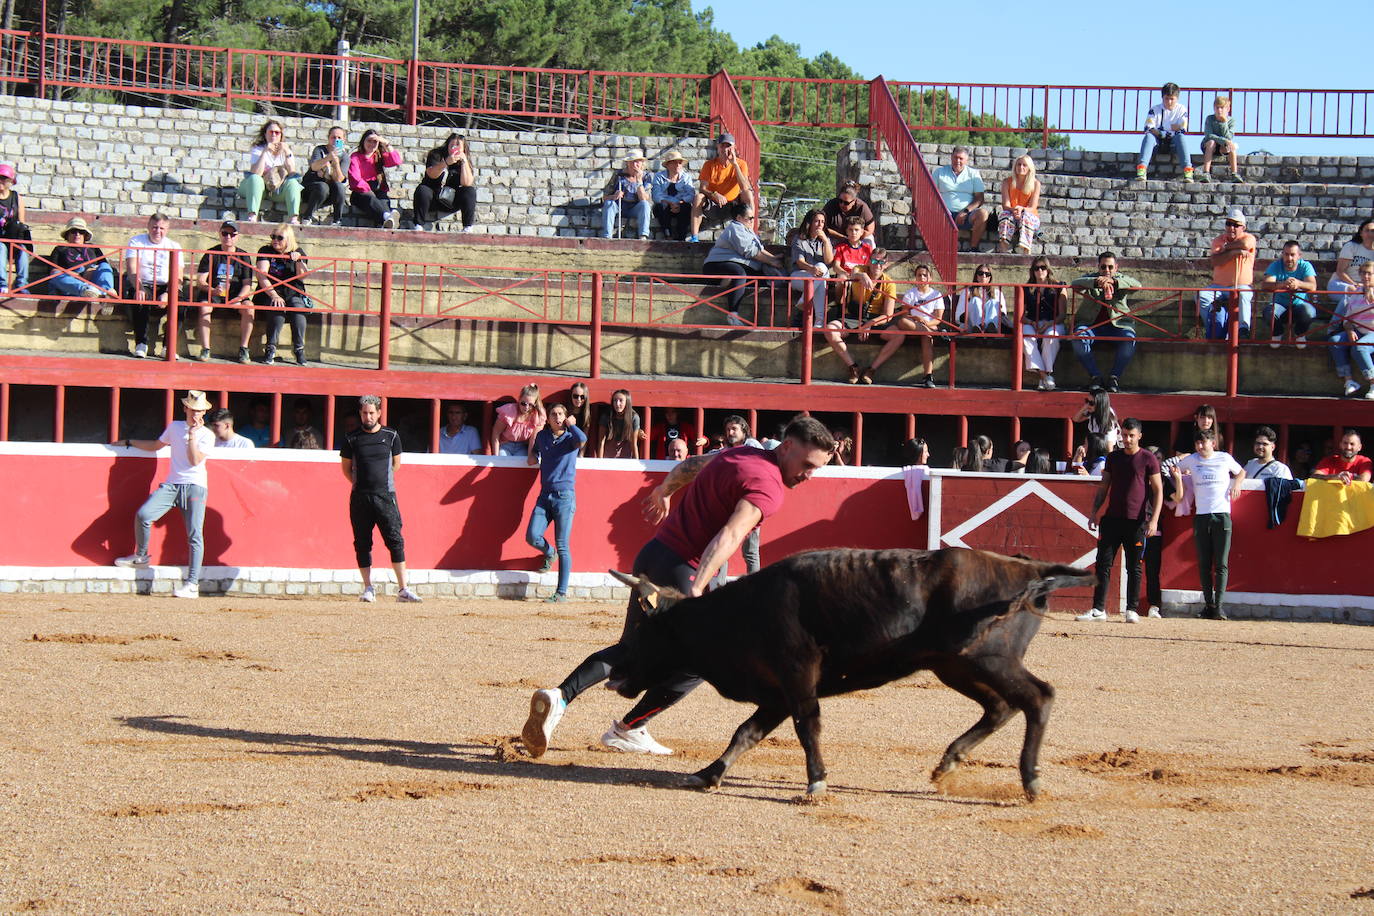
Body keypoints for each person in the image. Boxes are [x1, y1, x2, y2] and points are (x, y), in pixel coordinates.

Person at [520, 415, 836, 759]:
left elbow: (691, 465)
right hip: (684, 571)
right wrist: (698, 588)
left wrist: (663, 490)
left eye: (816, 469)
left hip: (653, 555)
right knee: (702, 663)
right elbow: (729, 535)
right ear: (787, 446)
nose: (808, 475)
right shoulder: (770, 488)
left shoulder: (739, 454)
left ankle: (559, 697)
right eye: (807, 464)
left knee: (629, 649)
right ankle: (629, 727)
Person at [113, 390, 216, 599]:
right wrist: (129, 442)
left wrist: (192, 435)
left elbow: (194, 460)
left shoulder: (207, 435)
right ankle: (141, 556)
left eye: (199, 410)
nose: (196, 414)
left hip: (195, 486)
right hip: (172, 485)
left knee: (195, 534)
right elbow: (155, 446)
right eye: (193, 409)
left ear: (204, 411)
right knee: (144, 515)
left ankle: (192, 584)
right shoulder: (175, 427)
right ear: (186, 408)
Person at [1076, 417, 1163, 623]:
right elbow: (1104, 487)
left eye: (1131, 436)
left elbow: (1158, 491)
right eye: (1124, 435)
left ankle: (1131, 609)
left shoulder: (1148, 458)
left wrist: (1154, 520)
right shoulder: (1113, 458)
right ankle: (1098, 609)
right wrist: (1094, 511)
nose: (1127, 439)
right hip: (1112, 519)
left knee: (1134, 567)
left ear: (1139, 436)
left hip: (1136, 521)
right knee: (1103, 564)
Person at [340, 395, 421, 603]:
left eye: (371, 413)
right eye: (364, 413)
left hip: (385, 496)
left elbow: (396, 466)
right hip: (360, 497)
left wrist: (380, 486)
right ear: (360, 414)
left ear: (379, 413)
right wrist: (362, 486)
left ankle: (403, 589)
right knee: (362, 542)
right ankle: (368, 588)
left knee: (395, 540)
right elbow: (346, 470)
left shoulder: (391, 435)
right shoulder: (352, 438)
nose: (368, 416)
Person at [1173, 428, 1245, 620]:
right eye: (1197, 443)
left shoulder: (1224, 458)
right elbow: (1173, 469)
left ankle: (1219, 606)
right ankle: (1209, 604)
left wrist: (1236, 484)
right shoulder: (1192, 460)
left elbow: (1241, 472)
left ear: (1212, 443)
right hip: (1202, 515)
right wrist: (1179, 480)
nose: (1200, 446)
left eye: (1203, 442)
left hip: (1222, 514)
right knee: (1204, 563)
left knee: (1221, 563)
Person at [526, 402, 588, 602]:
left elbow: (583, 439)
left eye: (561, 414)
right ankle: (548, 552)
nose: (557, 417)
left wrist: (572, 425)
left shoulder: (571, 437)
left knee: (563, 545)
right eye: (554, 414)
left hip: (564, 497)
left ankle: (561, 593)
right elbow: (534, 454)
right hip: (545, 495)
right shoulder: (543, 436)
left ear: (566, 416)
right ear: (548, 418)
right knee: (532, 536)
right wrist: (532, 453)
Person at [701, 197, 785, 327]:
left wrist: (773, 259)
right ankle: (733, 314)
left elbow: (760, 250)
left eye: (753, 218)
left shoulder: (748, 232)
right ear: (739, 218)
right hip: (716, 265)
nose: (752, 221)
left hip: (735, 264)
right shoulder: (735, 228)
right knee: (739, 273)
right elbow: (750, 251)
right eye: (749, 218)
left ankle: (765, 319)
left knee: (761, 279)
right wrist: (772, 261)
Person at [1070, 251, 1142, 392]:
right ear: (1098, 267)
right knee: (1078, 338)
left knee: (1130, 340)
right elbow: (1075, 283)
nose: (1106, 271)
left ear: (1116, 267)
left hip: (1118, 326)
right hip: (1092, 325)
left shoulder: (1120, 278)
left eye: (1110, 267)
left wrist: (1114, 282)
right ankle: (1095, 377)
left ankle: (1114, 378)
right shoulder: (1093, 278)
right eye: (1103, 267)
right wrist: (1096, 282)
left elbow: (1137, 285)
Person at [865, 263, 945, 387]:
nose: (922, 278)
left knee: (927, 336)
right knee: (903, 322)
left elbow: (938, 319)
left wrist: (926, 323)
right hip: (912, 325)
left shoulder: (936, 295)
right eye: (919, 275)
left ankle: (928, 376)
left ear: (930, 278)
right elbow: (905, 315)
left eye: (925, 275)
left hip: (929, 325)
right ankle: (931, 332)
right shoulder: (910, 293)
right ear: (915, 277)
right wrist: (918, 320)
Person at [825, 251, 896, 384]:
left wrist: (868, 324)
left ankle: (872, 369)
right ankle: (853, 367)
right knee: (830, 329)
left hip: (874, 319)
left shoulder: (889, 283)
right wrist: (861, 275)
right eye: (874, 261)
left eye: (881, 262)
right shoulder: (860, 269)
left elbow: (888, 315)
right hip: (852, 316)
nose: (877, 265)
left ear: (886, 264)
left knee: (898, 335)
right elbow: (852, 273)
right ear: (869, 261)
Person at [122, 213, 185, 360]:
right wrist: (139, 287)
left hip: (166, 284)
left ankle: (168, 346)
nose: (158, 231)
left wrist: (169, 293)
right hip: (143, 282)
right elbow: (132, 269)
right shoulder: (136, 241)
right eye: (154, 227)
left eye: (162, 228)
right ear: (148, 227)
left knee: (180, 304)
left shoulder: (174, 246)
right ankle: (141, 343)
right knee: (140, 298)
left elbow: (179, 276)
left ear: (167, 229)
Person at [190, 220, 254, 362]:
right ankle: (205, 349)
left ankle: (244, 349)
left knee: (249, 309)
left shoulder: (244, 256)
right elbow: (200, 281)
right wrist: (213, 290)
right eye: (225, 233)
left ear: (237, 236)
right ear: (220, 234)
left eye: (232, 234)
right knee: (204, 306)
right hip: (214, 292)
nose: (228, 237)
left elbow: (247, 284)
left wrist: (238, 298)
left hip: (236, 295)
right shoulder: (211, 254)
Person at [251, 223, 311, 367]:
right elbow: (262, 276)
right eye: (273, 237)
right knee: (277, 306)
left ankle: (299, 349)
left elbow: (302, 277)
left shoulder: (298, 251)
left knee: (298, 308)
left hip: (293, 292)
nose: (275, 240)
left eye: (279, 237)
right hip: (269, 292)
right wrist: (274, 295)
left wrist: (299, 260)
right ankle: (270, 348)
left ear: (288, 240)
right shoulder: (265, 250)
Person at [1198, 208, 1256, 339]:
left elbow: (1245, 244)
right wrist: (1233, 252)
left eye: (1236, 225)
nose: (1231, 228)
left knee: (1244, 295)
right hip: (1218, 286)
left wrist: (1226, 248)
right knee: (1201, 296)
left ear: (1243, 227)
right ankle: (1211, 325)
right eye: (1229, 224)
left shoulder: (1249, 238)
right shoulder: (1219, 240)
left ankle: (1243, 328)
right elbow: (1216, 261)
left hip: (1240, 286)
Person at [688, 132, 750, 242]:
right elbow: (702, 188)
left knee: (748, 194)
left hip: (733, 205)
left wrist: (734, 164)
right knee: (698, 197)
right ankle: (694, 237)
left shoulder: (741, 164)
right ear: (717, 147)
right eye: (722, 146)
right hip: (713, 204)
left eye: (728, 146)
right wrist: (714, 194)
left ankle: (750, 233)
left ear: (734, 148)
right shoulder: (709, 165)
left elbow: (744, 187)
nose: (725, 149)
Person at [236, 120, 302, 224]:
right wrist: (265, 152)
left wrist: (287, 152)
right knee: (255, 179)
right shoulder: (258, 149)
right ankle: (252, 216)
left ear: (281, 135)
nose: (274, 135)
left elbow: (292, 173)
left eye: (277, 132)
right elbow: (256, 173)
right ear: (265, 134)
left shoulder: (286, 151)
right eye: (271, 132)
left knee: (293, 183)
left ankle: (293, 218)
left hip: (276, 190)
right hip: (258, 189)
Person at [43, 216, 115, 305]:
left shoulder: (93, 248)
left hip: (94, 283)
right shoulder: (60, 249)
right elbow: (53, 271)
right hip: (71, 284)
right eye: (73, 231)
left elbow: (103, 267)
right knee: (56, 275)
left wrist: (91, 271)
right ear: (67, 235)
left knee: (105, 266)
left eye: (81, 232)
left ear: (85, 235)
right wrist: (79, 276)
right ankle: (86, 290)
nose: (77, 234)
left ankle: (106, 295)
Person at [1328, 261, 1374, 399]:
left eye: (1369, 274)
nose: (1366, 276)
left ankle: (1373, 383)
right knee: (1335, 341)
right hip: (1358, 330)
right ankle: (1349, 381)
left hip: (1372, 332)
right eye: (1363, 273)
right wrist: (1349, 330)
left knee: (1360, 348)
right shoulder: (1355, 294)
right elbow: (1347, 319)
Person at [413, 133, 476, 232]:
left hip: (451, 199)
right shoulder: (436, 155)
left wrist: (464, 162)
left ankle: (468, 227)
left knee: (470, 191)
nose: (455, 148)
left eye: (458, 145)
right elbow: (431, 174)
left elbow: (467, 183)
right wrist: (446, 163)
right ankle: (418, 225)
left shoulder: (465, 159)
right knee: (422, 190)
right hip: (433, 197)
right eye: (452, 145)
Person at [932, 147, 990, 252]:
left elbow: (979, 199)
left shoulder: (973, 174)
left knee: (983, 214)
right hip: (944, 213)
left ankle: (973, 248)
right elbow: (930, 194)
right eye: (955, 158)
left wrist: (966, 211)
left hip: (967, 215)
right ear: (951, 157)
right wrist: (942, 210)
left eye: (961, 158)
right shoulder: (939, 172)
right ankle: (940, 248)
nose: (957, 161)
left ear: (966, 160)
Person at [1261, 240, 1318, 347]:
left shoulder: (1306, 266)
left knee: (1310, 312)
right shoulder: (1276, 265)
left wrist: (1298, 284)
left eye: (1292, 255)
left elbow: (1312, 286)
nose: (1289, 258)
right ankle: (1277, 333)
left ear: (1299, 256)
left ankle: (1300, 334)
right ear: (1282, 254)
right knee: (1269, 313)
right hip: (1279, 305)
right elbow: (1265, 285)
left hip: (1299, 306)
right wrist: (1283, 284)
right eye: (1286, 254)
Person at [1023, 258, 1066, 391]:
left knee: (1051, 336)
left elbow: (1062, 315)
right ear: (1032, 271)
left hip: (1053, 321)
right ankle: (1045, 376)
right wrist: (1031, 322)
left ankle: (1044, 376)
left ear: (1048, 269)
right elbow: (1021, 315)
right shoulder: (1026, 288)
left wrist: (1049, 323)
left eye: (1043, 267)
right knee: (1026, 335)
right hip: (1032, 321)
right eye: (1036, 268)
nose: (1040, 271)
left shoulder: (1059, 286)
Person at [1135, 82, 1192, 183]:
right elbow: (1149, 128)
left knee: (1181, 137)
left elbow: (1182, 128)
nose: (1169, 102)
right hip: (1157, 143)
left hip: (1174, 144)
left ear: (1177, 98)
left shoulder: (1182, 109)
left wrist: (1161, 130)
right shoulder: (1154, 109)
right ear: (1162, 98)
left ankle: (1188, 171)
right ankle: (1142, 169)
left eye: (1172, 99)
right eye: (1166, 98)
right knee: (1149, 137)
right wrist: (1169, 130)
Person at [347, 129, 402, 229]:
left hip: (378, 191)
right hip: (360, 193)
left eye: (375, 141)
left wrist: (386, 143)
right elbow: (355, 179)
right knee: (371, 199)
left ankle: (388, 221)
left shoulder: (379, 156)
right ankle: (388, 217)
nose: (371, 144)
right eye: (369, 141)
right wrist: (368, 190)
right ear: (363, 142)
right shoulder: (355, 157)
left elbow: (396, 161)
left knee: (382, 200)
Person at [789, 208, 833, 329]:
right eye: (817, 221)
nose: (820, 225)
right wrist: (811, 269)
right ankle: (819, 321)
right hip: (799, 275)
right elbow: (800, 262)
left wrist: (825, 241)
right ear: (809, 223)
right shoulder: (799, 239)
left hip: (817, 278)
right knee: (821, 270)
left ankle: (817, 320)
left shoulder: (825, 240)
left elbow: (829, 261)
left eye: (823, 222)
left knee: (822, 273)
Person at [300, 124, 348, 225]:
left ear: (343, 140)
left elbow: (339, 179)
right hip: (312, 189)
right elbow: (314, 167)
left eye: (339, 138)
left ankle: (337, 220)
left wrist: (336, 163)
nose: (336, 140)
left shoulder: (344, 157)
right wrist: (328, 158)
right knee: (322, 186)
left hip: (330, 193)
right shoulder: (319, 150)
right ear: (328, 138)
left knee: (339, 187)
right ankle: (307, 217)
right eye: (333, 137)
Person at [600, 151, 652, 240]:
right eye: (633, 161)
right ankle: (607, 236)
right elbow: (604, 197)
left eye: (638, 161)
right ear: (627, 163)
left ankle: (643, 236)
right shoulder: (618, 175)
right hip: (619, 207)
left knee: (645, 205)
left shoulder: (646, 176)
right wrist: (614, 196)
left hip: (635, 208)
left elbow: (644, 199)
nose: (636, 164)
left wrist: (639, 181)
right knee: (609, 203)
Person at [829, 216, 875, 310]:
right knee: (842, 280)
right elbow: (836, 266)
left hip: (860, 278)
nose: (853, 233)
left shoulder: (867, 249)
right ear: (846, 231)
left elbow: (870, 266)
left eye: (856, 230)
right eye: (851, 230)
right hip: (846, 277)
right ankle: (840, 307)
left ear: (862, 232)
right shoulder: (840, 247)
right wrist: (846, 274)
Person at [997, 155, 1041, 254]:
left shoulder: (1035, 184)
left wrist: (1021, 210)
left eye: (1024, 165)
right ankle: (1003, 248)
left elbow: (1032, 207)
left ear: (1029, 167)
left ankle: (1026, 250)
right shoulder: (1006, 182)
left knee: (1026, 217)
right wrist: (1015, 211)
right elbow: (1006, 205)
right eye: (1019, 164)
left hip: (1029, 215)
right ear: (1015, 166)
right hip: (1012, 213)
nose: (1021, 167)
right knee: (1004, 215)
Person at [490, 384, 546, 457]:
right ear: (519, 400)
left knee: (522, 464)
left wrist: (530, 457)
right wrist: (496, 456)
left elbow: (533, 439)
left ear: (535, 404)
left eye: (530, 405)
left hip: (522, 447)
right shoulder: (509, 411)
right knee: (504, 463)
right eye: (523, 403)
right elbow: (496, 433)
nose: (526, 407)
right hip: (505, 445)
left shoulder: (538, 416)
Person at [0, 162, 30, 296]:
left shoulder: (17, 198)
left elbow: (21, 223)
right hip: (0, 239)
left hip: (13, 236)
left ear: (11, 181)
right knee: (0, 247)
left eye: (4, 179)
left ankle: (21, 285)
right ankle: (2, 284)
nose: (1, 181)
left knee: (23, 248)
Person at [650, 150, 694, 241]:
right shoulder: (659, 176)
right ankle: (668, 235)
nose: (678, 165)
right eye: (674, 163)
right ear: (668, 165)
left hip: (680, 204)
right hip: (665, 205)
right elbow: (656, 195)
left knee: (686, 207)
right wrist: (669, 203)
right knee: (660, 206)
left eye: (680, 163)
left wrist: (680, 203)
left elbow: (691, 194)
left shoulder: (686, 177)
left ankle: (682, 237)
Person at [1328, 219, 1374, 303]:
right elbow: (1340, 271)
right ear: (1361, 233)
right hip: (1343, 284)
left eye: (1373, 231)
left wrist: (1366, 287)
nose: (1370, 234)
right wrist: (1355, 284)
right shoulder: (1351, 246)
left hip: (1367, 286)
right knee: (1351, 296)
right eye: (1367, 230)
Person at [1199, 95, 1240, 183]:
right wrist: (1224, 140)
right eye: (1217, 108)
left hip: (1222, 147)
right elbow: (1209, 135)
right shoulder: (1210, 118)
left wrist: (1224, 122)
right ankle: (1206, 173)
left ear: (1227, 109)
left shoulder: (1231, 121)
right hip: (1208, 145)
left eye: (1222, 108)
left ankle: (1234, 174)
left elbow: (1229, 137)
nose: (1219, 110)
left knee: (1232, 146)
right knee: (1211, 142)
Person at [954, 264, 1005, 334]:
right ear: (976, 276)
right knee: (975, 300)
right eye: (980, 273)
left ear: (990, 277)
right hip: (970, 325)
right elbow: (958, 316)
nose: (983, 276)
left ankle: (990, 327)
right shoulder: (968, 291)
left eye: (987, 274)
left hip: (993, 328)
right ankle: (978, 327)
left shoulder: (997, 293)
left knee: (993, 302)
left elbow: (1004, 313)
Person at [821, 180, 875, 245]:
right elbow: (824, 227)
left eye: (846, 203)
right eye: (840, 201)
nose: (842, 204)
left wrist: (854, 238)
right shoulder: (831, 205)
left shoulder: (862, 207)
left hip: (857, 238)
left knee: (869, 239)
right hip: (836, 238)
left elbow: (870, 230)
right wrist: (842, 237)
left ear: (854, 201)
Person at [596, 388, 642, 459]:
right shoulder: (606, 416)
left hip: (625, 456)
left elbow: (634, 444)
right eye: (615, 400)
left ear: (627, 402)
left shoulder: (634, 417)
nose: (617, 404)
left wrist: (636, 464)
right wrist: (600, 462)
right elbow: (601, 442)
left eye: (621, 400)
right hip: (608, 456)